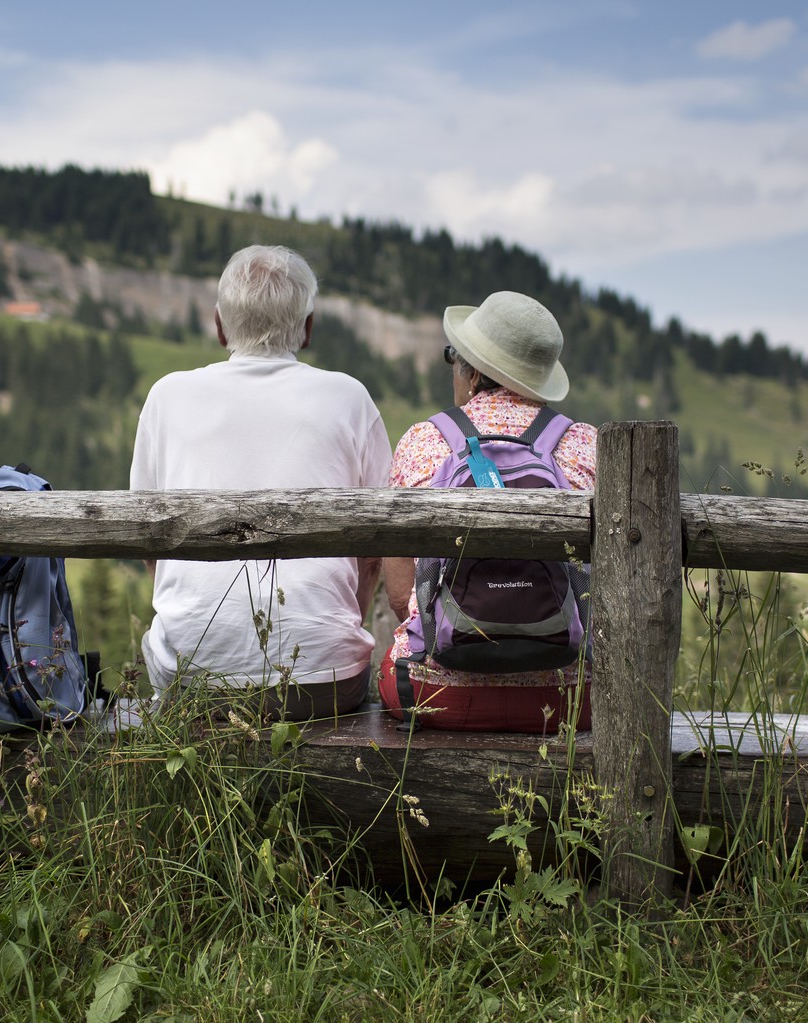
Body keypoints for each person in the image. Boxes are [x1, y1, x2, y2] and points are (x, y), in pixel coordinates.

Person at [130, 245, 392, 719]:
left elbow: (150, 542)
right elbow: (376, 550)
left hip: (191, 676)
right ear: (308, 329)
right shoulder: (349, 398)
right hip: (322, 681)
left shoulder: (166, 396)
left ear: (219, 324)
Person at [380, 291, 598, 732]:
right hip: (570, 697)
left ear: (473, 371)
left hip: (434, 690)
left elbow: (402, 596)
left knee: (393, 663)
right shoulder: (586, 445)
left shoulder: (424, 441)